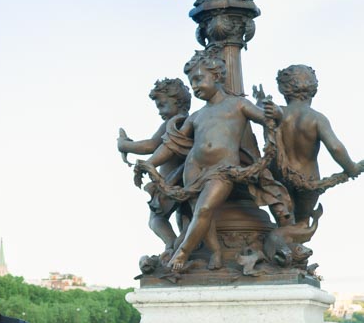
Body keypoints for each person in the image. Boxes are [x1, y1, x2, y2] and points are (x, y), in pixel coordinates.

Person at [144, 51, 279, 272]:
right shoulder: (197, 115)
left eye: (198, 79)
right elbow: (171, 144)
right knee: (202, 214)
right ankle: (215, 251)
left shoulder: (238, 104)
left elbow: (268, 119)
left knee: (204, 210)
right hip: (193, 168)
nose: (195, 86)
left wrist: (277, 112)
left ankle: (183, 252)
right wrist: (149, 162)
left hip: (222, 170)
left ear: (217, 76)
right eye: (191, 82)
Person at [266, 64, 363, 224]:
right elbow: (335, 147)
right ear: (314, 90)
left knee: (283, 224)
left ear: (283, 90)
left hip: (278, 178)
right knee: (302, 224)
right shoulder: (316, 118)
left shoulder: (276, 115)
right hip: (308, 180)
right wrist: (351, 168)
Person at [117, 77, 192, 253]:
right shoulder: (190, 122)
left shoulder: (173, 123)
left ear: (177, 101)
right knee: (184, 217)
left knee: (156, 219)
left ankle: (171, 246)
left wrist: (124, 145)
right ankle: (181, 246)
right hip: (185, 180)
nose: (159, 111)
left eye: (162, 105)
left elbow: (151, 145)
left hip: (170, 181)